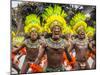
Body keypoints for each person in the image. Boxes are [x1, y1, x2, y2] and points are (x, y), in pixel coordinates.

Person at [34, 5, 72, 72]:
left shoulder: (65, 43)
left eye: (58, 28)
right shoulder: (45, 42)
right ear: (51, 30)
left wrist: (74, 65)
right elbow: (39, 58)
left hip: (61, 69)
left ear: (61, 30)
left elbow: (69, 58)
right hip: (49, 70)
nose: (57, 30)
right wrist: (33, 67)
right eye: (55, 28)